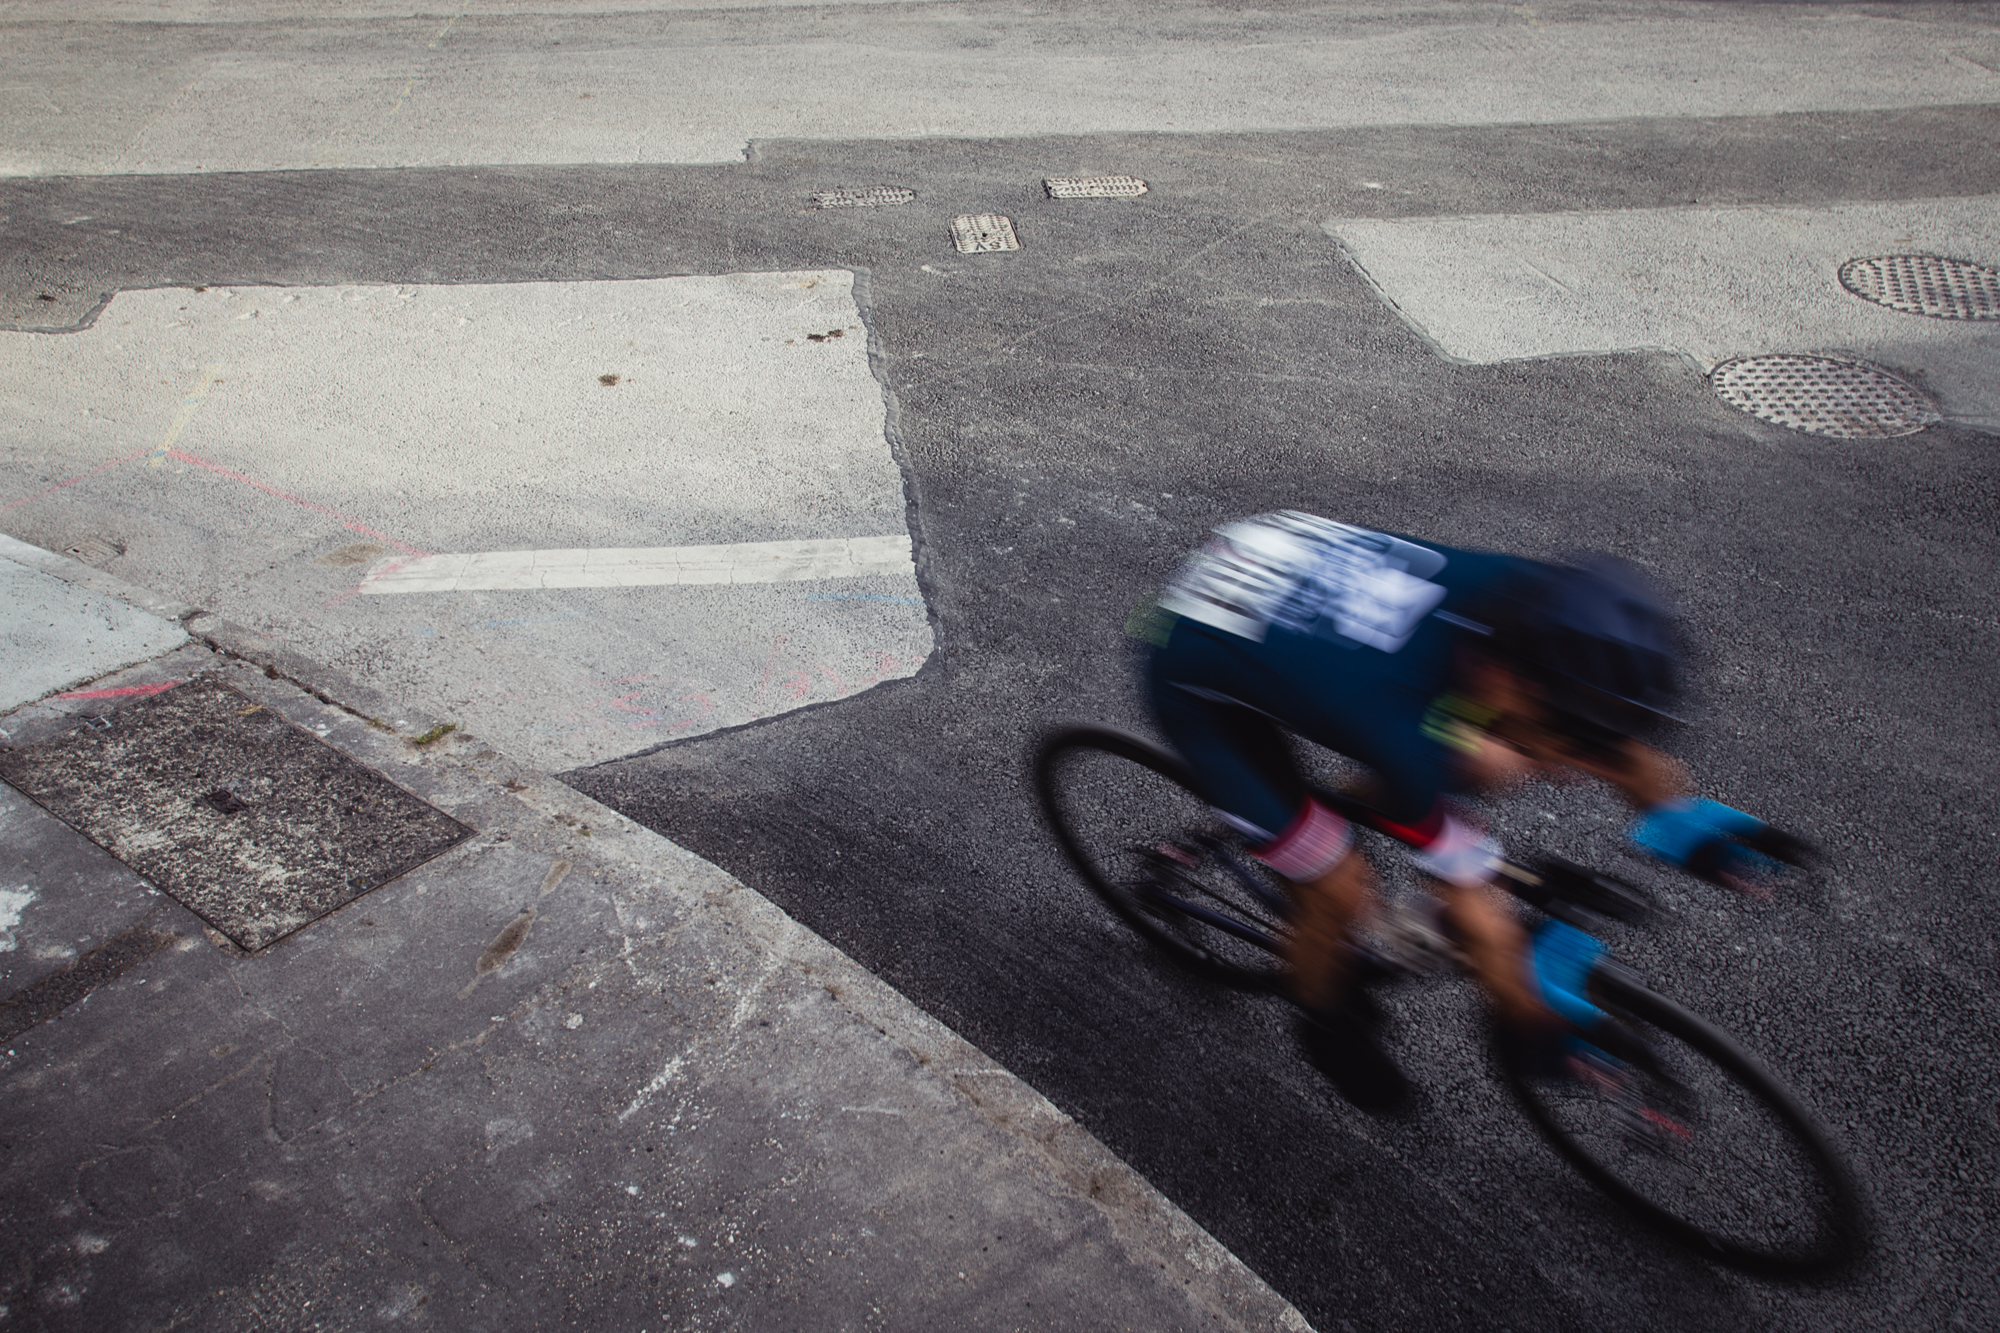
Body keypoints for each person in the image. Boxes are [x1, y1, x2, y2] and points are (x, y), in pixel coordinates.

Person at [1131, 511, 1807, 1112]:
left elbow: (1613, 739)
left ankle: (1393, 804)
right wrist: (1536, 1027)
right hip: (1194, 674)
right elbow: (1484, 925)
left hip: (1291, 598)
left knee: (1491, 758)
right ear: (1508, 681)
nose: (1571, 769)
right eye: (1567, 742)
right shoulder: (1403, 732)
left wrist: (1687, 823)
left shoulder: (1537, 606)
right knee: (1337, 886)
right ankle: (1322, 1019)